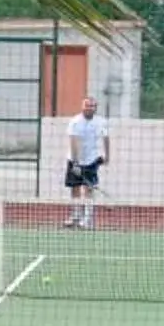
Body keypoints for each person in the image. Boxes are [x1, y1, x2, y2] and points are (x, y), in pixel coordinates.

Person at [62, 95, 110, 229]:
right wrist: (75, 163)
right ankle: (76, 216)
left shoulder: (101, 122)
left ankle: (87, 220)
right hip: (74, 159)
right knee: (75, 188)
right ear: (82, 107)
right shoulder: (75, 122)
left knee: (89, 189)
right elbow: (73, 142)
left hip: (91, 161)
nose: (89, 108)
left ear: (95, 108)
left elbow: (106, 138)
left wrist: (107, 156)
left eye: (92, 106)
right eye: (87, 105)